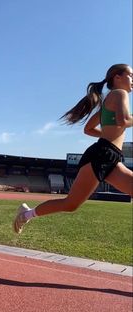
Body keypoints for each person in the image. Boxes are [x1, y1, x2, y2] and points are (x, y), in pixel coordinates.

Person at [13, 63, 133, 234]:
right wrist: (110, 137)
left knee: (70, 205)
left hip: (108, 154)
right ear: (117, 77)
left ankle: (26, 214)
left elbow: (89, 129)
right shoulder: (119, 93)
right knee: (70, 204)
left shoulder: (108, 101)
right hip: (103, 155)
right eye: (131, 75)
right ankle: (26, 214)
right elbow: (124, 120)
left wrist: (108, 135)